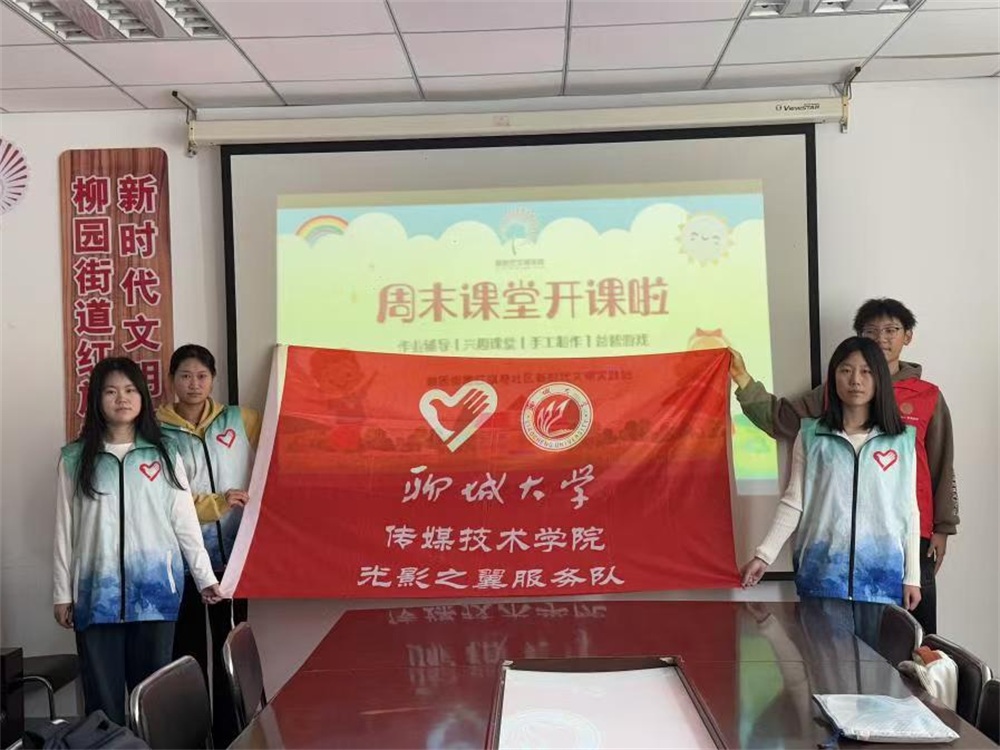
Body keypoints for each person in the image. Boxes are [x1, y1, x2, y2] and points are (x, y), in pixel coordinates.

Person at [730, 298, 957, 634]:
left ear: (907, 335)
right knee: (829, 649)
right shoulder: (822, 411)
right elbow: (782, 424)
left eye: (891, 330)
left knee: (913, 639)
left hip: (904, 541)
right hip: (829, 561)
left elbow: (941, 465)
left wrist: (943, 526)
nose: (881, 338)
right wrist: (744, 380)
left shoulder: (926, 399)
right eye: (871, 331)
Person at [53, 357, 222, 726]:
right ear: (96, 399)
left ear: (143, 397)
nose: (122, 399)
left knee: (153, 702)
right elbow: (65, 530)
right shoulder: (75, 458)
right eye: (111, 391)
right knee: (103, 704)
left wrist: (205, 577)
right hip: (96, 596)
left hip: (155, 594)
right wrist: (62, 593)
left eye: (130, 390)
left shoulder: (165, 453)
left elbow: (184, 522)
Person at [740, 337, 921, 651]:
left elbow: (909, 510)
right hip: (822, 576)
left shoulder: (901, 440)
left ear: (879, 378)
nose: (855, 380)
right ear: (833, 377)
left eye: (866, 371)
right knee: (826, 669)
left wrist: (912, 576)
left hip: (880, 579)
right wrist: (764, 554)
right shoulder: (811, 435)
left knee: (878, 674)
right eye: (845, 370)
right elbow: (794, 501)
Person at [156, 344, 260, 746]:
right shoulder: (155, 430)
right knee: (187, 652)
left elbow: (280, 450)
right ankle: (191, 739)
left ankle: (234, 735)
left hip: (234, 558)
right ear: (172, 380)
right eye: (185, 376)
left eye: (202, 376)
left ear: (213, 379)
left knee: (230, 648)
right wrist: (216, 503)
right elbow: (164, 497)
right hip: (180, 560)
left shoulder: (240, 419)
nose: (194, 384)